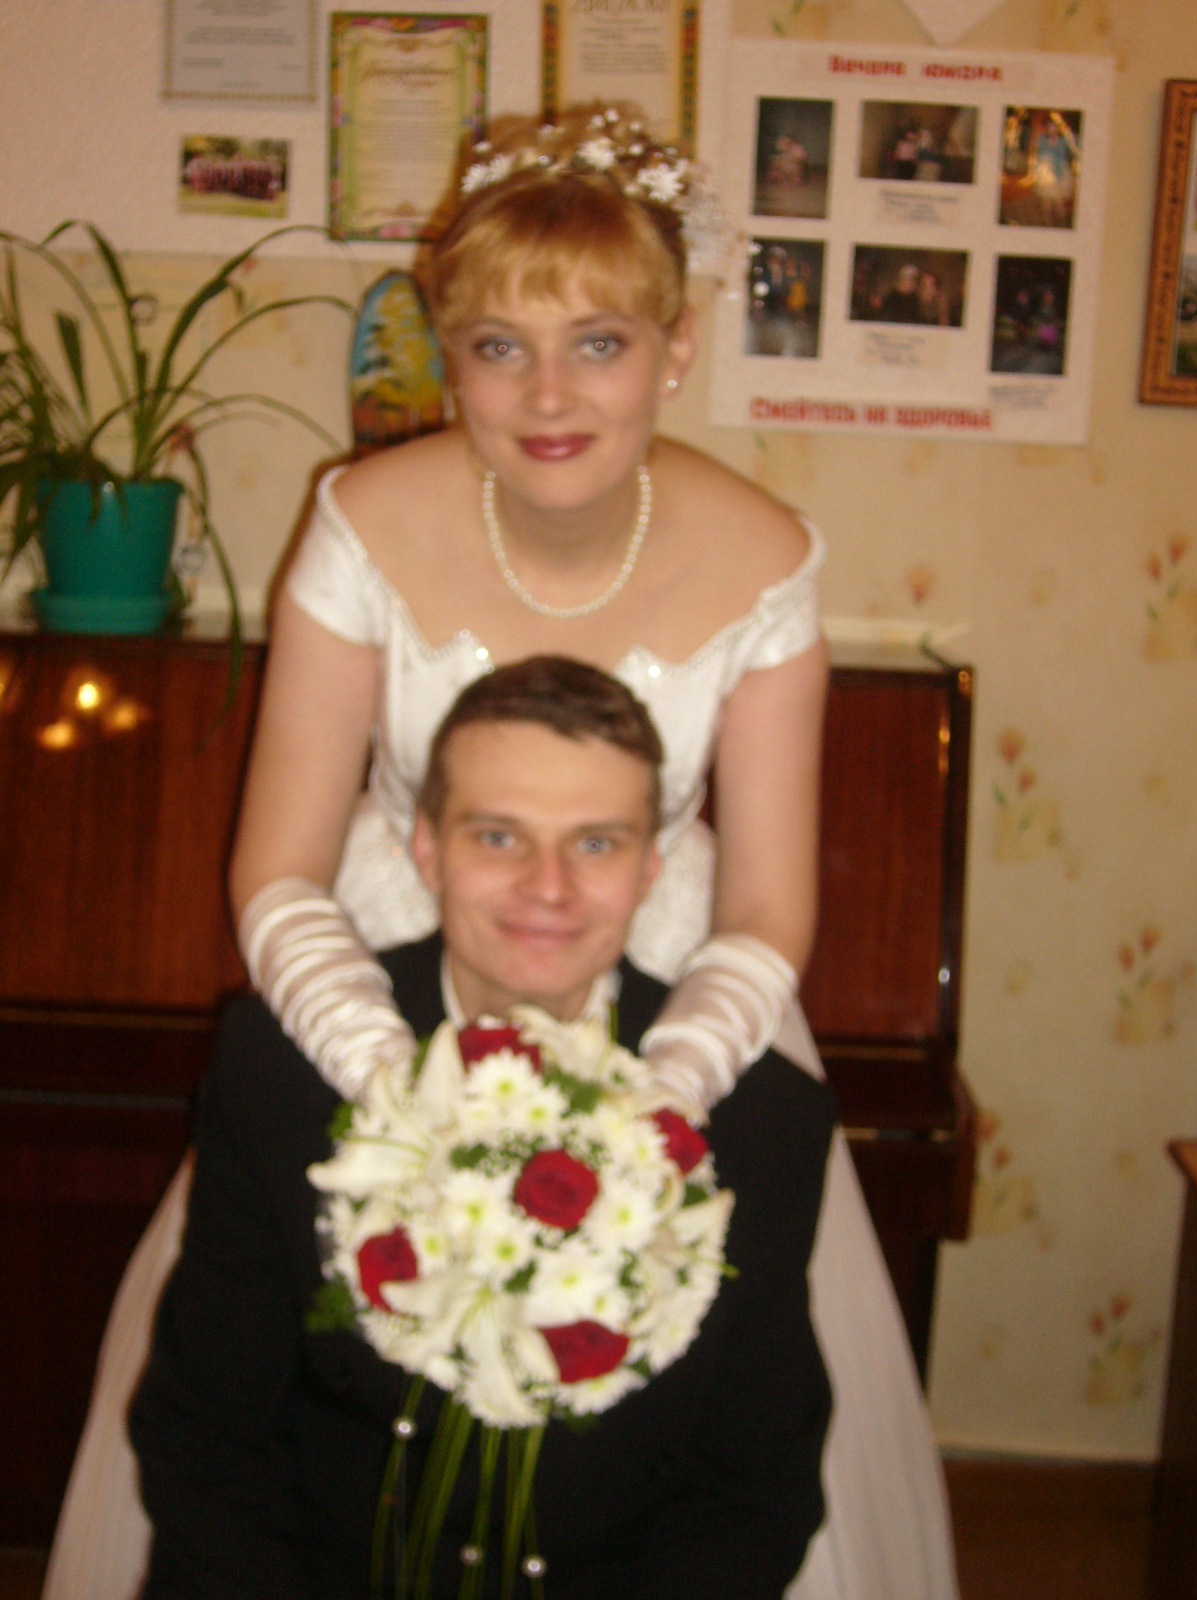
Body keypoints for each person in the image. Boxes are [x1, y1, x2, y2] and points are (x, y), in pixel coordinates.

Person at [44, 104, 959, 1600]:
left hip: (666, 991)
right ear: (449, 356)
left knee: (664, 1431)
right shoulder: (357, 520)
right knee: (330, 1406)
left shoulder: (768, 559)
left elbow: (769, 905)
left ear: (675, 347)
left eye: (598, 344)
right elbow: (276, 869)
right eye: (497, 346)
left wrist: (660, 1102)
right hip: (383, 982)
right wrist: (393, 1076)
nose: (548, 395)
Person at [131, 657, 836, 1598]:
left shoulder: (765, 1120)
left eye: (595, 844)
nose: (548, 887)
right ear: (426, 849)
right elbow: (206, 1438)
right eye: (499, 837)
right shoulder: (277, 1074)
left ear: (651, 870)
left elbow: (755, 1489)